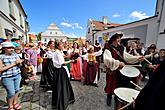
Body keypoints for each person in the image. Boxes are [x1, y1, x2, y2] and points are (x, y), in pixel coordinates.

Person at [103, 33, 143, 108]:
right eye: (118, 38)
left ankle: (117, 97)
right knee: (110, 84)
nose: (120, 40)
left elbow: (127, 57)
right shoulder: (108, 48)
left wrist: (137, 58)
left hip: (120, 70)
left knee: (119, 84)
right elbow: (107, 59)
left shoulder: (121, 48)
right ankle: (109, 96)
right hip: (112, 70)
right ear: (113, 39)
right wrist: (118, 63)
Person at [51, 40, 75, 110]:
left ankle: (57, 101)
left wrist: (68, 56)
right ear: (58, 46)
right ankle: (62, 101)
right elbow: (62, 63)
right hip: (60, 71)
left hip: (58, 71)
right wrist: (71, 61)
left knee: (59, 86)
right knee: (62, 86)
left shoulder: (58, 52)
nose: (62, 46)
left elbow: (63, 57)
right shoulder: (57, 53)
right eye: (61, 45)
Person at [0, 42, 23, 110]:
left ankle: (15, 103)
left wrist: (19, 63)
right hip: (7, 77)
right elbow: (1, 69)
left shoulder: (15, 55)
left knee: (17, 90)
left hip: (17, 75)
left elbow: (19, 65)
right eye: (9, 48)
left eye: (12, 48)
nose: (12, 49)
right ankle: (10, 106)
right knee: (11, 92)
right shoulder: (1, 57)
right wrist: (14, 64)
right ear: (4, 49)